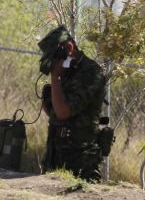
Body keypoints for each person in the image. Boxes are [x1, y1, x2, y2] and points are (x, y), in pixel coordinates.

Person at [38, 25, 106, 182]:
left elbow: (63, 112)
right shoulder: (65, 71)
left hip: (80, 160)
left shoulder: (91, 73)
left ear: (68, 48)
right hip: (55, 156)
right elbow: (54, 112)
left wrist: (55, 78)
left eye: (54, 57)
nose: (53, 63)